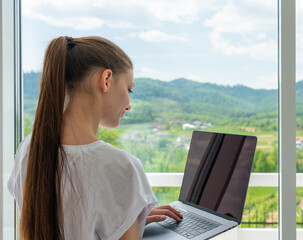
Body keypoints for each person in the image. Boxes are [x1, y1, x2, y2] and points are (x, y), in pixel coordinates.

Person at [7, 36, 182, 240]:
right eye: (128, 89)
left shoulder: (29, 148)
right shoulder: (122, 166)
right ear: (106, 80)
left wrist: (129, 217)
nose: (128, 105)